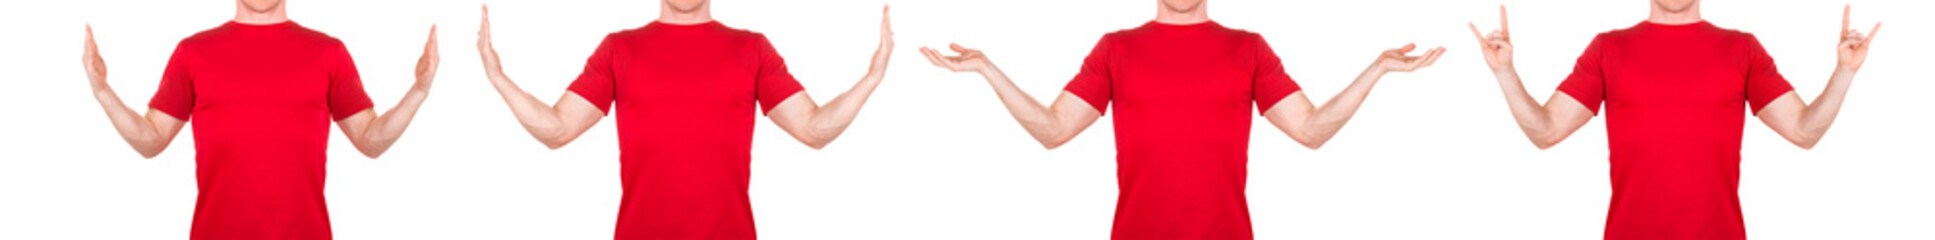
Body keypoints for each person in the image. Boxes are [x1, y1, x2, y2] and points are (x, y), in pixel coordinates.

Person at [918, 0, 1443, 239]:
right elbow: (1055, 130)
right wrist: (989, 69)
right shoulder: (1116, 48)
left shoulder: (1248, 48)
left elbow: (1310, 130)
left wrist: (1377, 70)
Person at [473, 1, 893, 239]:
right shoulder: (619, 49)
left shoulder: (752, 48)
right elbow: (558, 129)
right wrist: (498, 77)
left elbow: (813, 129)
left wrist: (871, 78)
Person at [1466, 1, 1879, 239]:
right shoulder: (1609, 49)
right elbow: (1546, 130)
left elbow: (1804, 131)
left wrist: (1844, 71)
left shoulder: (1742, 49)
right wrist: (1505, 72)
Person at [80, 0, 438, 238]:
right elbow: (152, 139)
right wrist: (102, 90)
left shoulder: (329, 53)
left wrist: (418, 90)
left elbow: (370, 140)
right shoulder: (193, 52)